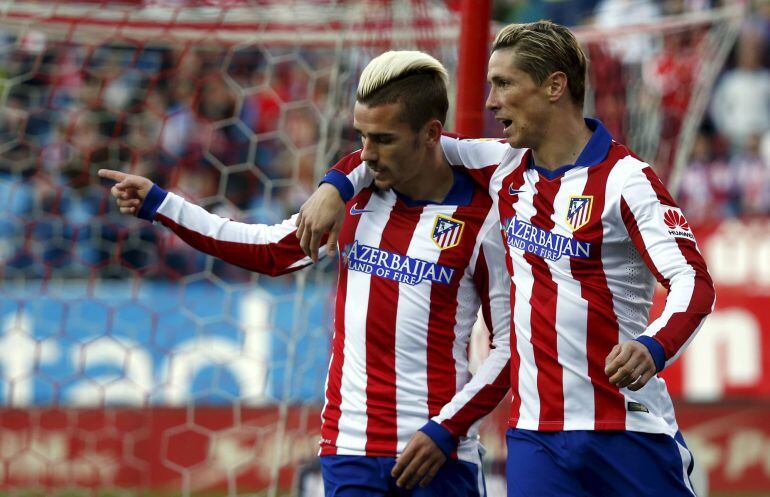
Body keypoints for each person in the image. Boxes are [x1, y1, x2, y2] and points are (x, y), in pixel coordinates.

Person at [297, 21, 716, 497]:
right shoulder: (503, 164)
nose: (491, 102)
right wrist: (334, 186)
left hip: (628, 426)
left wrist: (653, 345)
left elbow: (693, 282)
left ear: (555, 86)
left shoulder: (626, 180)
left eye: (504, 84)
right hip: (536, 435)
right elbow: (394, 146)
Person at [99, 51, 511, 497]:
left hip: (439, 456)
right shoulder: (354, 200)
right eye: (362, 137)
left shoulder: (483, 220)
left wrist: (446, 429)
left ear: (432, 134)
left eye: (383, 139)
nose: (366, 154)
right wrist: (163, 204)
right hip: (351, 448)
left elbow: (509, 347)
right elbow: (269, 252)